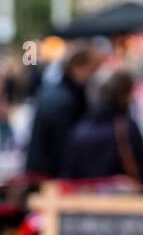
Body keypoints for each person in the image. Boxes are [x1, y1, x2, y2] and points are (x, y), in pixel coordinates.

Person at [62, 70, 143, 193]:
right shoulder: (125, 127)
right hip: (121, 207)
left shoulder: (80, 129)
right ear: (124, 95)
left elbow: (68, 176)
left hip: (82, 206)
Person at [25, 43, 102, 178]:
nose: (93, 76)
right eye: (91, 70)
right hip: (51, 176)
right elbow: (64, 148)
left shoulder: (57, 92)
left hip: (42, 173)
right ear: (77, 67)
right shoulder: (66, 99)